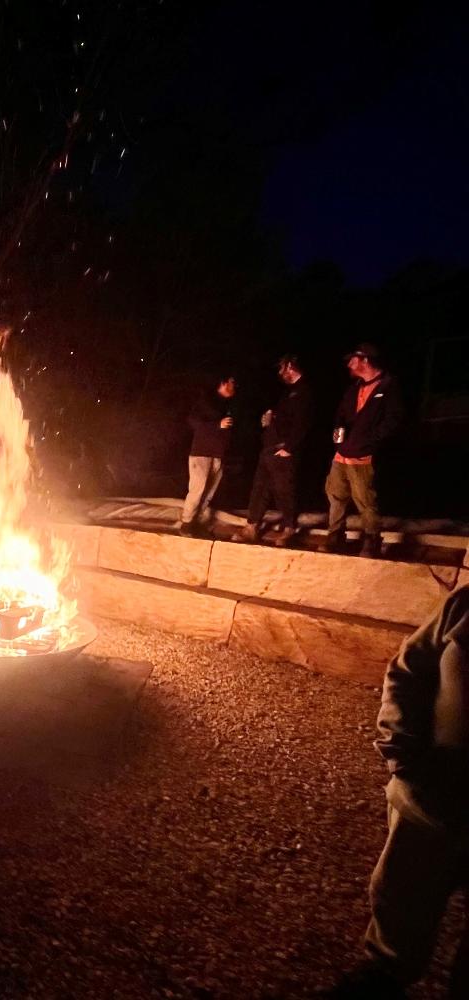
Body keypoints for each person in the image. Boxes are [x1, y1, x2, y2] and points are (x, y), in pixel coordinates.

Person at [325, 585, 469, 999]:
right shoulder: (464, 605)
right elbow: (409, 669)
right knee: (402, 896)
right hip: (431, 801)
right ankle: (382, 976)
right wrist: (402, 754)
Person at [322, 343, 403, 558]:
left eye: (353, 359)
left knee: (366, 501)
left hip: (364, 457)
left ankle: (372, 539)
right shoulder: (354, 387)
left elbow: (393, 421)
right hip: (342, 454)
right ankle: (335, 535)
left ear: (365, 359)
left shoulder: (388, 386)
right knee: (335, 495)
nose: (349, 363)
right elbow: (340, 414)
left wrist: (370, 441)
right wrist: (338, 435)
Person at [232, 354, 313, 547]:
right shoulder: (288, 392)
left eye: (281, 368)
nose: (279, 372)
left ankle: (289, 529)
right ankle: (251, 527)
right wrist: (271, 416)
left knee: (284, 491)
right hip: (269, 448)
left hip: (282, 450)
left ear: (290, 367)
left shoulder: (305, 391)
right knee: (259, 488)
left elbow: (303, 422)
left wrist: (289, 447)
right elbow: (285, 417)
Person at [179, 374, 236, 537]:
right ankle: (186, 523)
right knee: (197, 489)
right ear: (223, 383)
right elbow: (193, 422)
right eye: (232, 383)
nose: (235, 387)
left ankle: (198, 523)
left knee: (209, 492)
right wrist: (217, 424)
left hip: (218, 455)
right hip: (201, 453)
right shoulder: (206, 401)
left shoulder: (227, 405)